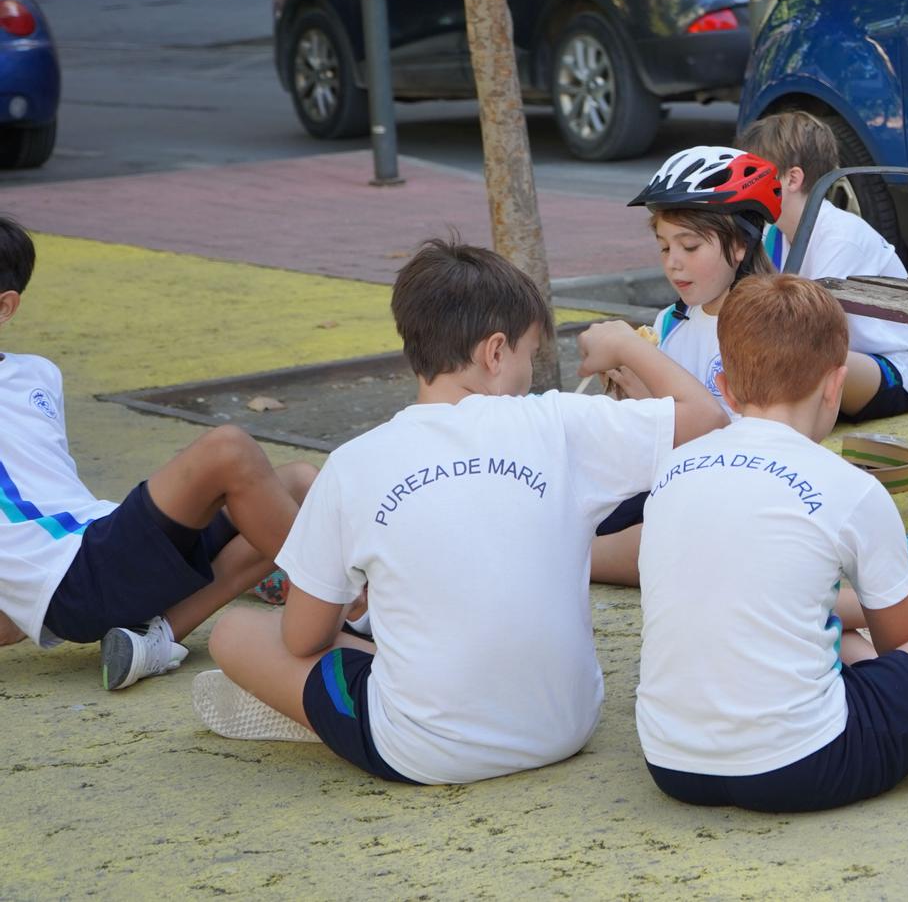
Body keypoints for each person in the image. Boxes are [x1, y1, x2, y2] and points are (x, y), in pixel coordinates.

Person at [191, 238, 726, 784]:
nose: (530, 376)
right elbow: (707, 417)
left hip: (427, 753)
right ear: (495, 353)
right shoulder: (559, 423)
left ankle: (363, 694)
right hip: (566, 727)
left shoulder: (353, 464)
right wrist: (624, 344)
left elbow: (301, 640)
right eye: (529, 356)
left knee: (233, 631)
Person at [637, 274, 908, 813]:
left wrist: (906, 598)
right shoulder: (852, 489)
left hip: (673, 765)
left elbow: (753, 597)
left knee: (821, 629)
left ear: (724, 386)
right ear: (835, 384)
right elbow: (907, 652)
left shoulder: (673, 470)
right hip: (806, 765)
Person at [0, 215, 318, 690]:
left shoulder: (38, 375)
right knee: (228, 450)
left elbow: (38, 493)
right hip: (74, 579)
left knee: (300, 483)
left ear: (5, 307)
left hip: (99, 543)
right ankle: (352, 607)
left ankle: (154, 636)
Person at [587, 145, 782, 585]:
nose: (673, 263)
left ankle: (565, 560)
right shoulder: (671, 322)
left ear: (739, 246)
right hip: (673, 485)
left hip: (736, 497)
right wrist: (627, 396)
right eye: (663, 247)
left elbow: (763, 448)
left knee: (675, 537)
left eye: (689, 246)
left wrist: (655, 404)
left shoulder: (768, 328)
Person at [737, 111, 908, 423]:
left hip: (896, 370)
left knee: (793, 352)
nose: (744, 186)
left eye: (754, 175)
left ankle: (781, 430)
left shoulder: (840, 236)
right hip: (837, 363)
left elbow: (813, 331)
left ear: (792, 179)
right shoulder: (775, 234)